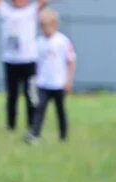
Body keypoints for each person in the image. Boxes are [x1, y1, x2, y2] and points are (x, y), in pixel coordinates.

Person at [0, 0, 47, 132]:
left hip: (29, 60)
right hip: (11, 60)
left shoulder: (31, 11)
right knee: (12, 95)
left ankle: (32, 125)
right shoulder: (5, 10)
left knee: (31, 94)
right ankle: (11, 125)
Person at [26, 7, 73, 142]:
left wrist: (68, 80)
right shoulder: (38, 42)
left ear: (54, 24)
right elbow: (34, 62)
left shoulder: (62, 41)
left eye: (47, 25)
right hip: (43, 82)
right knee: (39, 109)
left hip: (58, 82)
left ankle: (63, 135)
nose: (45, 29)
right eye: (42, 26)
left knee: (60, 110)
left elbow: (71, 61)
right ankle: (35, 134)